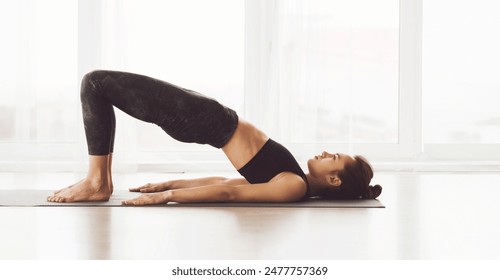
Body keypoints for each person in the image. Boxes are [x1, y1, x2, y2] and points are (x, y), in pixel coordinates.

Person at [47, 70, 382, 205]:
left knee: (96, 84)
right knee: (99, 86)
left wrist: (168, 198)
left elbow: (228, 194)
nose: (326, 152)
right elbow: (228, 182)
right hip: (210, 117)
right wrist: (166, 186)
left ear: (334, 180)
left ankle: (97, 182)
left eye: (333, 158)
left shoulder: (294, 186)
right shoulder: (295, 181)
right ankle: (99, 180)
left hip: (205, 120)